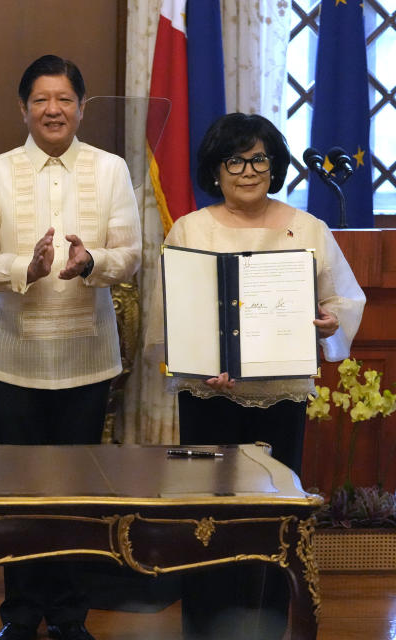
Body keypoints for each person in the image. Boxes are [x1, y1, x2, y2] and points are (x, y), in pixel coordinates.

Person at [149, 112, 365, 639]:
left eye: (260, 158)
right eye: (235, 159)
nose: (248, 170)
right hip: (208, 396)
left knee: (271, 518)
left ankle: (265, 625)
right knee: (207, 519)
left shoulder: (307, 227)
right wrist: (198, 360)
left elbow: (344, 299)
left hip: (280, 395)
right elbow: (168, 311)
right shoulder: (190, 228)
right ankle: (203, 627)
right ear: (215, 170)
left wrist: (330, 321)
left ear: (276, 165)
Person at [0, 54, 141, 640]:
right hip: (13, 359)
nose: (53, 109)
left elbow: (132, 254)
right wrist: (26, 268)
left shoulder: (112, 169)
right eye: (41, 99)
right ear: (24, 108)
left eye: (64, 99)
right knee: (17, 494)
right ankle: (19, 615)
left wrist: (91, 262)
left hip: (87, 358)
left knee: (78, 495)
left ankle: (69, 616)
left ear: (82, 106)